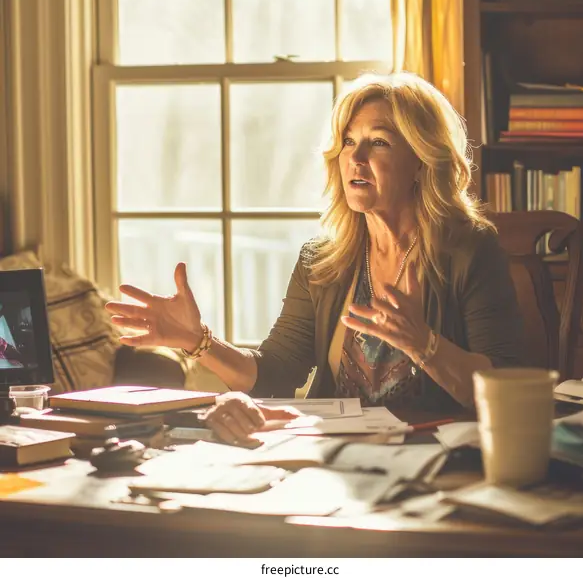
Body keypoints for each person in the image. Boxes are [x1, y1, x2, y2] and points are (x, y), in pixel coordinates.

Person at [106, 72, 524, 445]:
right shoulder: (321, 260)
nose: (356, 158)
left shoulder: (470, 250)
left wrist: (425, 345)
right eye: (348, 141)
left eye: (378, 142)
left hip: (434, 457)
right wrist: (198, 342)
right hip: (334, 457)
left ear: (420, 160)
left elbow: (506, 388)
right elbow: (274, 372)